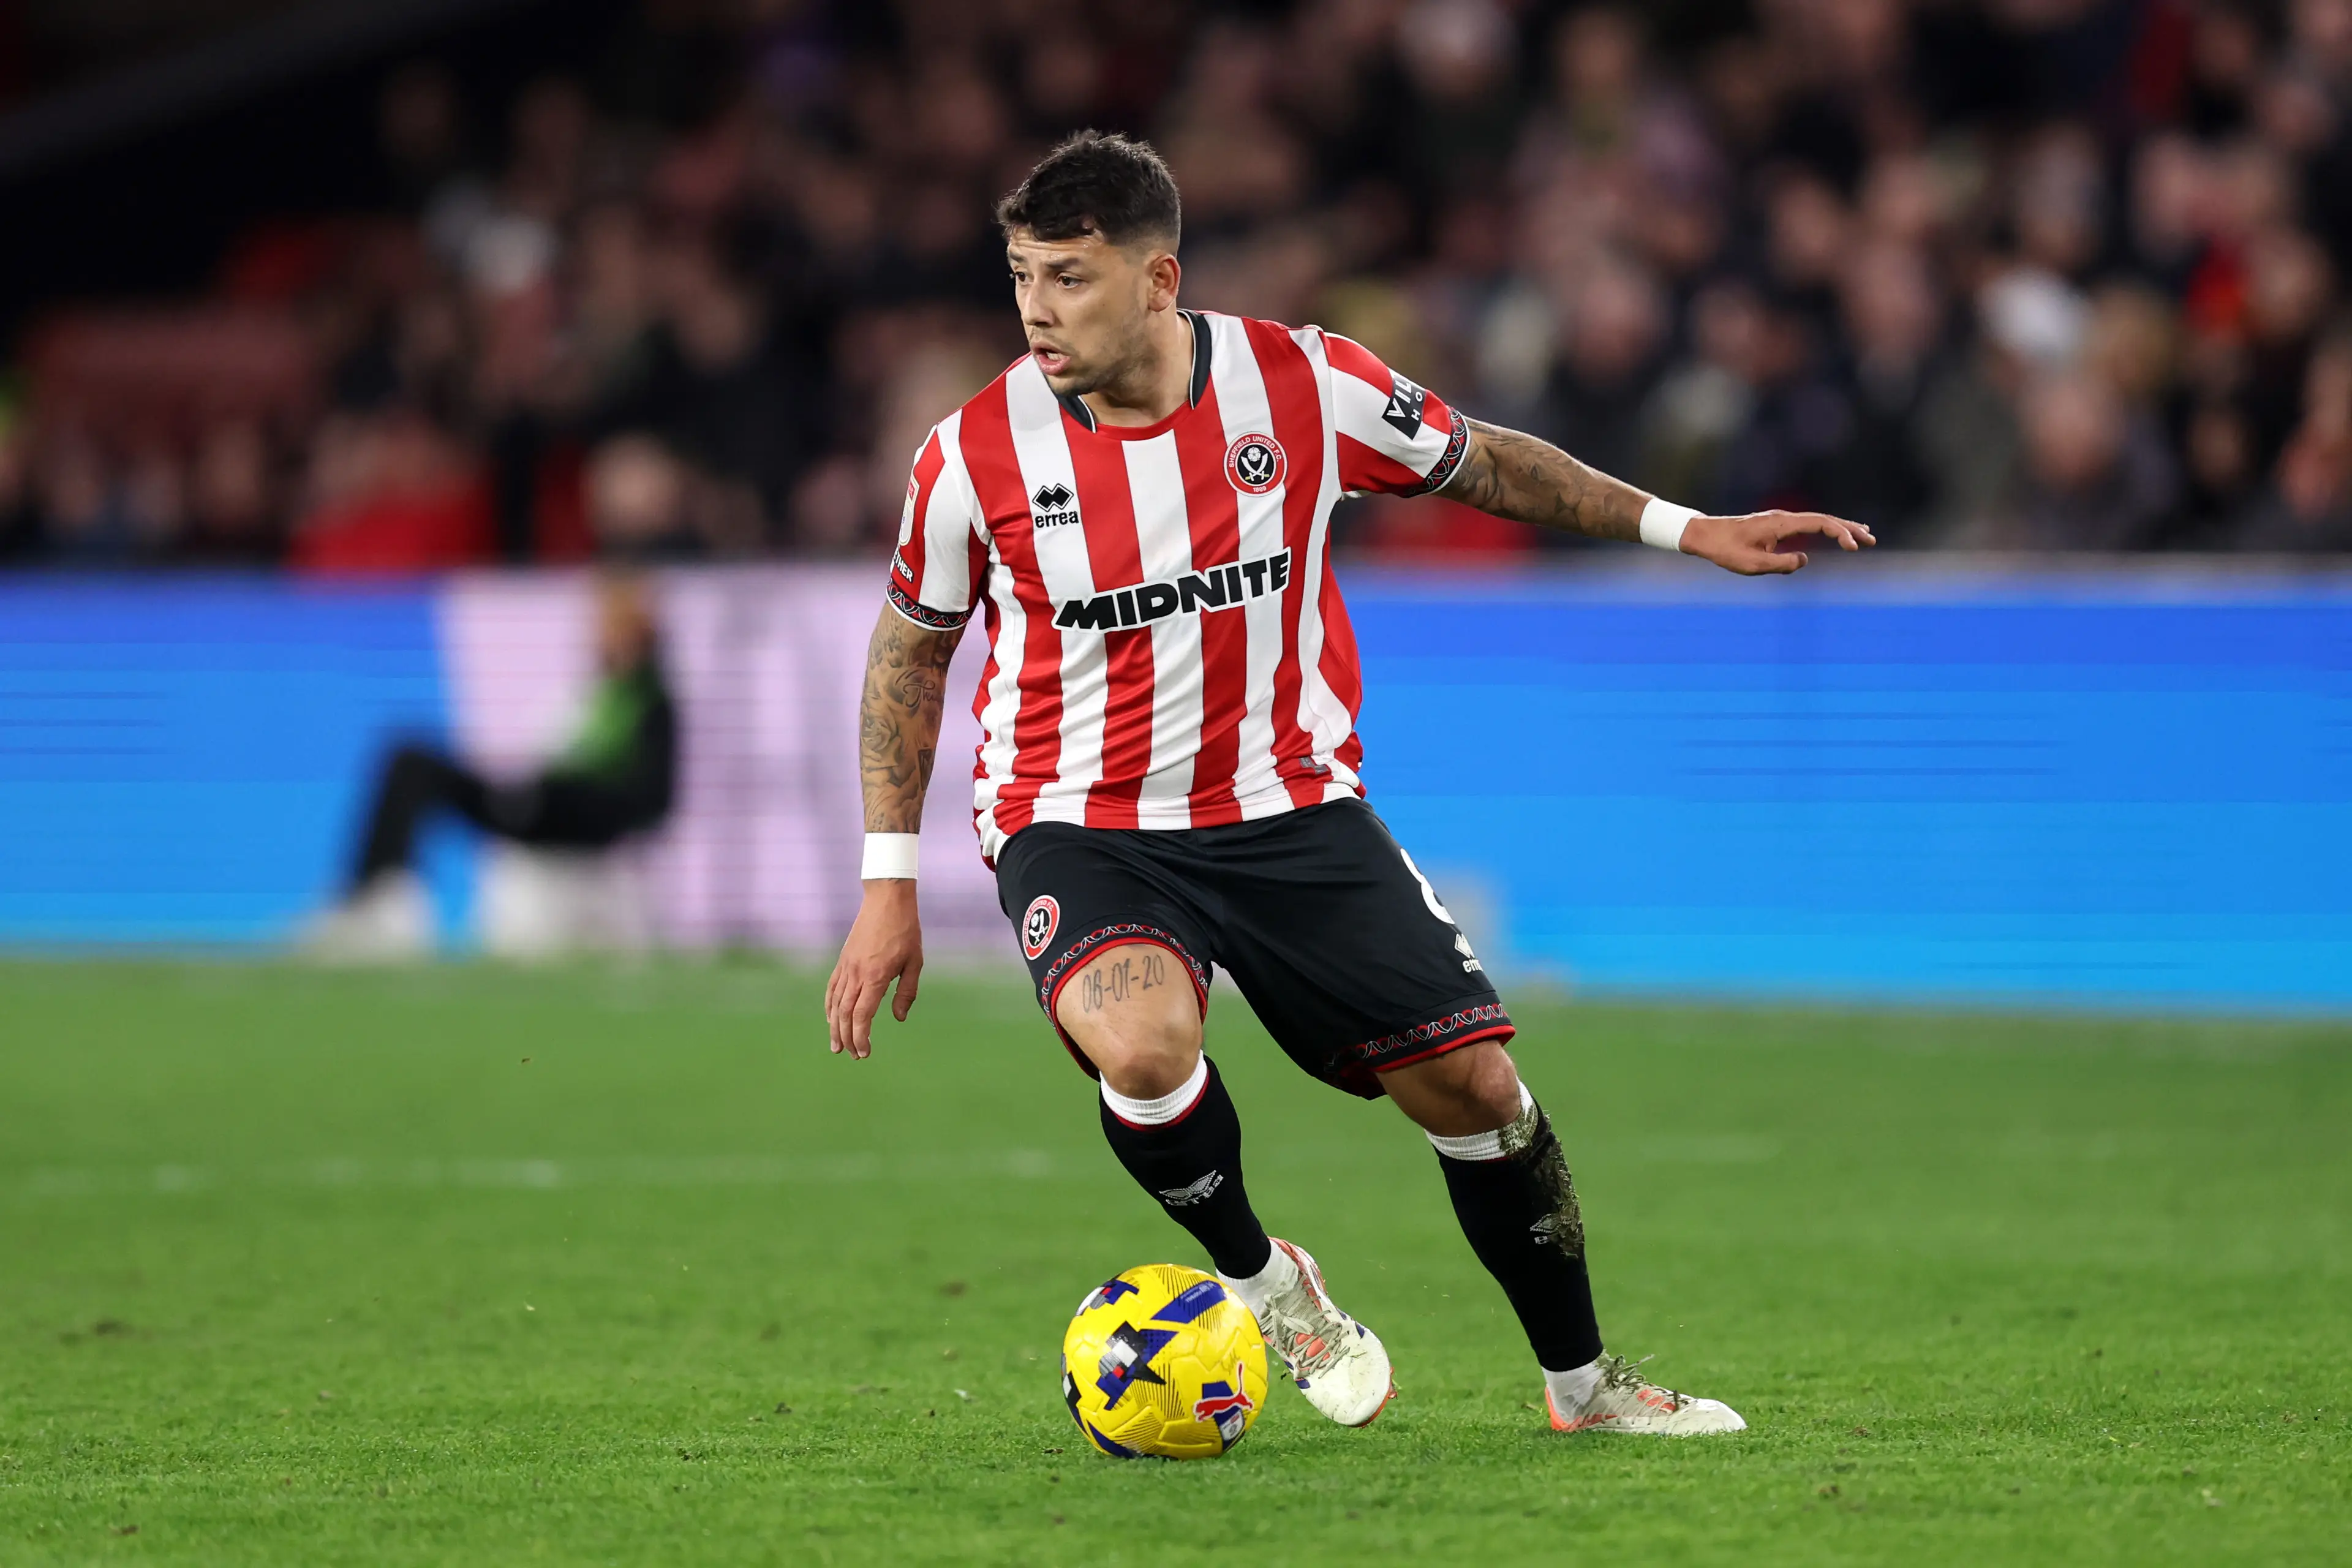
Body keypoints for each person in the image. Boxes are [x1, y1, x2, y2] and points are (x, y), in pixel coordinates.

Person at [823, 133, 1872, 1436]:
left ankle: (1585, 1388)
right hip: (1080, 815)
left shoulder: (1301, 383)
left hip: (1289, 804)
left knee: (1481, 1094)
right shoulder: (972, 453)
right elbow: (910, 647)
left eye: (1073, 278)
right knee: (1144, 1042)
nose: (1038, 308)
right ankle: (1270, 1283)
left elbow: (1482, 460)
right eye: (1025, 275)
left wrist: (1685, 527)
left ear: (1161, 280)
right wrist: (887, 882)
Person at [306, 573, 677, 957]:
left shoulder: (651, 705)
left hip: (564, 822)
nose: (603, 635)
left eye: (616, 626)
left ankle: (384, 903)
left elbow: (652, 799)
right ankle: (378, 892)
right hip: (528, 807)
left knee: (421, 767)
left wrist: (570, 802)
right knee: (411, 762)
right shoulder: (592, 697)